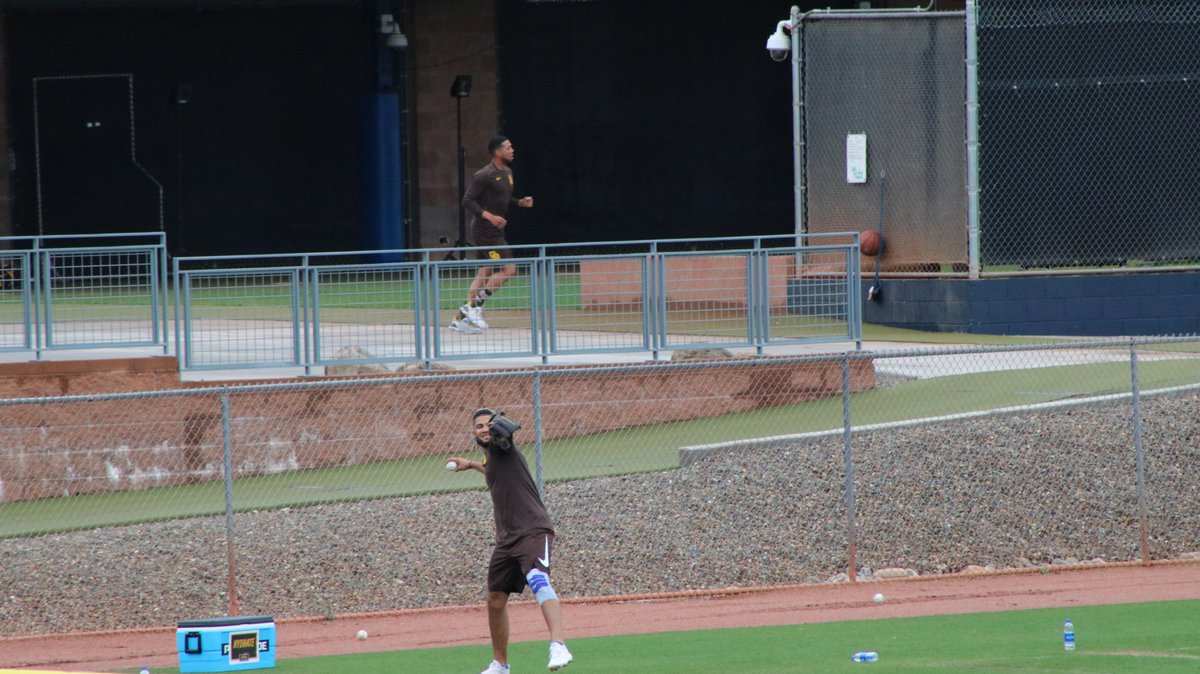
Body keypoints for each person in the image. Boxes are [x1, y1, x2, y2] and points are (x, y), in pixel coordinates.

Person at [448, 408, 573, 673]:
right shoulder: (490, 459)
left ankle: (559, 645)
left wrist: (501, 432)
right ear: (473, 433)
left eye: (488, 425)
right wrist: (470, 464)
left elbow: (504, 440)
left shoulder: (502, 446)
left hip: (532, 529)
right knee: (495, 598)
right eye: (478, 426)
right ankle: (500, 665)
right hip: (506, 539)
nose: (484, 429)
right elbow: (491, 470)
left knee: (538, 579)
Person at [450, 136, 534, 334]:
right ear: (498, 152)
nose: (513, 150)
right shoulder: (484, 174)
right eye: (508, 147)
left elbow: (502, 197)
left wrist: (519, 202)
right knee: (509, 269)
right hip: (484, 231)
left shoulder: (508, 172)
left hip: (496, 230)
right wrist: (489, 216)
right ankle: (473, 306)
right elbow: (468, 200)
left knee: (486, 269)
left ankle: (460, 319)